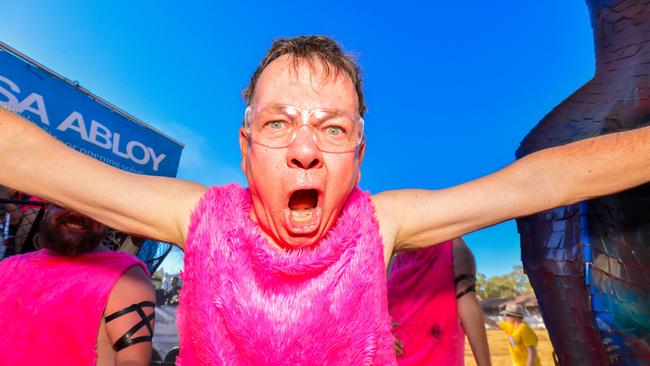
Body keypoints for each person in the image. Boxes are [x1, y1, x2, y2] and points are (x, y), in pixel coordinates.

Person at [1, 35, 650, 365]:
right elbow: (34, 158)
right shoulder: (199, 219)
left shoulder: (381, 226)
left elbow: (542, 181)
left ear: (359, 155)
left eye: (332, 128)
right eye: (280, 124)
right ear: (247, 146)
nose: (305, 149)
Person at [0, 204, 156, 365]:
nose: (76, 213)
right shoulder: (10, 267)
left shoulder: (126, 275)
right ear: (47, 207)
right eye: (64, 203)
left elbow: (132, 360)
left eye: (89, 206)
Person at [387, 238, 491, 366]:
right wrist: (382, 333)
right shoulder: (392, 260)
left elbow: (467, 304)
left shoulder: (454, 246)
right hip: (395, 360)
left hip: (439, 359)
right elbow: (379, 311)